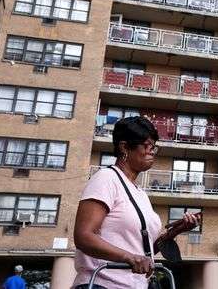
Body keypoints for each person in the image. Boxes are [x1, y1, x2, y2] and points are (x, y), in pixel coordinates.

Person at [72, 116, 201, 288]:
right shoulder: (106, 178)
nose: (152, 152)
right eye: (146, 146)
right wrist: (130, 258)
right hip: (102, 284)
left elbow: (143, 252)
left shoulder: (141, 194)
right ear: (124, 147)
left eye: (154, 147)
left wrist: (175, 232)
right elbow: (83, 236)